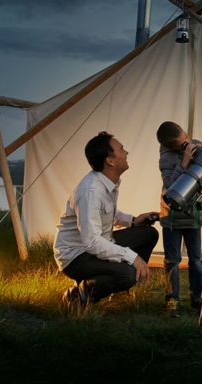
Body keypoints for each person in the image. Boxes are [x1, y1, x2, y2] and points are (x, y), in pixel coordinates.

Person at [54, 131, 159, 311]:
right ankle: (80, 293)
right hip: (77, 256)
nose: (126, 153)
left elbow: (109, 212)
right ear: (110, 161)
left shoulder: (108, 182)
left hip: (99, 242)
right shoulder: (90, 191)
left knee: (148, 233)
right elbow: (92, 242)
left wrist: (133, 220)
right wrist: (133, 258)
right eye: (121, 149)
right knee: (128, 274)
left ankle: (119, 282)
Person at [156, 120, 202, 317]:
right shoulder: (166, 159)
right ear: (171, 147)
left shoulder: (197, 144)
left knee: (196, 260)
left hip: (193, 215)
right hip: (172, 217)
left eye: (186, 138)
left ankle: (198, 298)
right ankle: (172, 300)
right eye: (182, 144)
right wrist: (185, 162)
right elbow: (171, 184)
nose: (187, 144)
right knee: (172, 260)